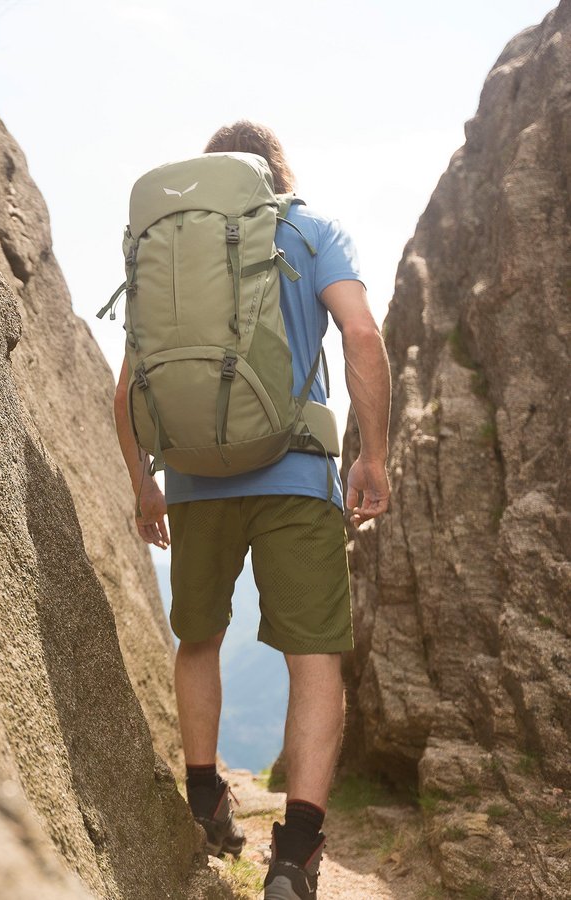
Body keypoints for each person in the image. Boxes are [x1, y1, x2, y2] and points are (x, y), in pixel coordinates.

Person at [112, 120, 391, 900]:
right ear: (277, 171)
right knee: (313, 658)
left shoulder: (170, 251)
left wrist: (145, 484)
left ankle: (204, 798)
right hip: (296, 472)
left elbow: (128, 387)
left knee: (198, 637)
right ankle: (295, 851)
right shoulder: (309, 229)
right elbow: (363, 336)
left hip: (195, 476)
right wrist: (374, 455)